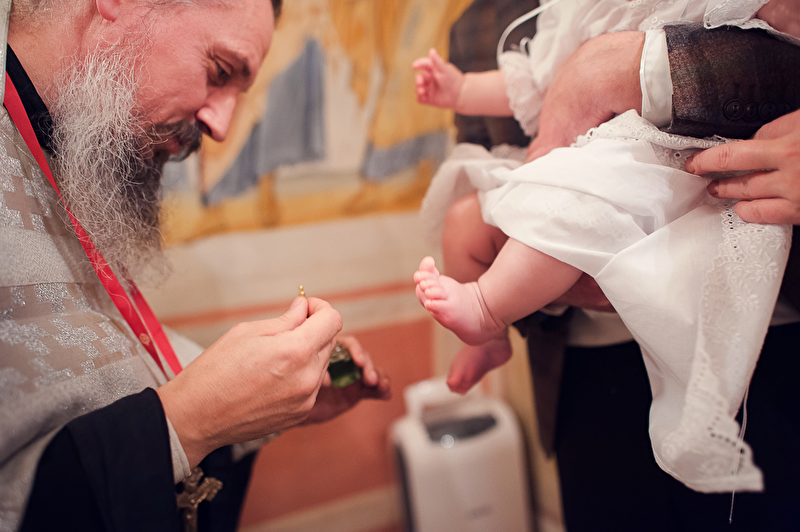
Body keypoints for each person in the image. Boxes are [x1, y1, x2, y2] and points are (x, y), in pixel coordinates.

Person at [0, 0, 391, 531]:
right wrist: (193, 419)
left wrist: (259, 402)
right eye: (220, 70)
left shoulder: (66, 142)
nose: (222, 127)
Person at [412, 0, 800, 496]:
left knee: (568, 209)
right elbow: (530, 82)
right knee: (463, 222)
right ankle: (489, 334)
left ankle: (487, 305)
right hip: (577, 368)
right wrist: (462, 90)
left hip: (659, 179)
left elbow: (775, 50)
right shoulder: (482, 21)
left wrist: (627, 70)